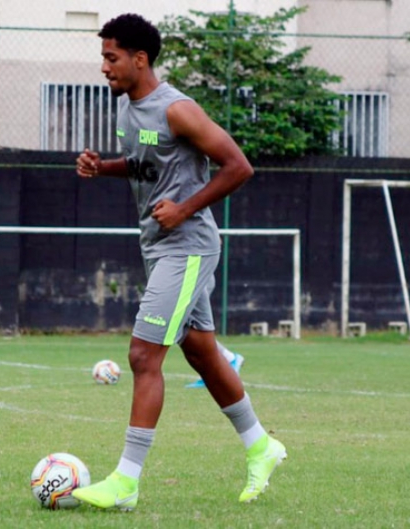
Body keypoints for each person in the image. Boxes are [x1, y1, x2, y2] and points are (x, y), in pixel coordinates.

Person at [71, 13, 286, 510]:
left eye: (111, 57)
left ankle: (125, 482)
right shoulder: (128, 111)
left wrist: (186, 208)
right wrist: (103, 167)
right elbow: (147, 164)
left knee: (144, 357)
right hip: (160, 245)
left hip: (188, 245)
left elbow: (239, 166)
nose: (104, 67)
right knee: (202, 352)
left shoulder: (178, 109)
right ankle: (261, 445)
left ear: (139, 59)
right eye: (103, 57)